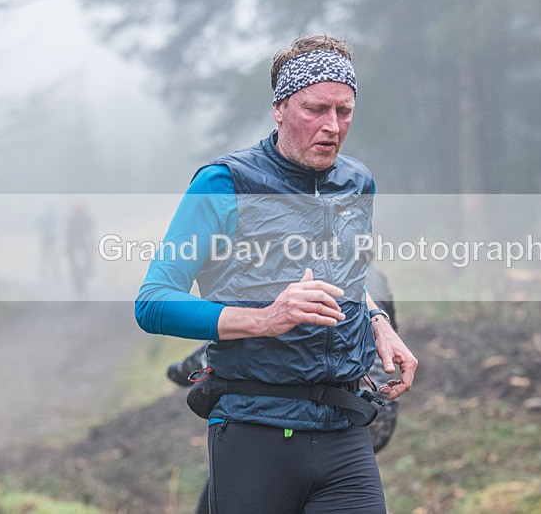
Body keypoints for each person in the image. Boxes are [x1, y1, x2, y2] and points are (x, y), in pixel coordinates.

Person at [135, 34, 418, 514]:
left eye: (344, 111)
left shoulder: (357, 182)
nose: (332, 126)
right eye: (316, 109)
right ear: (280, 109)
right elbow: (153, 302)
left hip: (344, 431)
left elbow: (348, 276)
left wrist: (377, 321)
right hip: (255, 432)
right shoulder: (224, 183)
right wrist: (265, 319)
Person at [167, 263, 401, 514]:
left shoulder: (287, 277)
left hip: (300, 419)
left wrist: (180, 371)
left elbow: (214, 347)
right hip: (369, 412)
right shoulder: (365, 278)